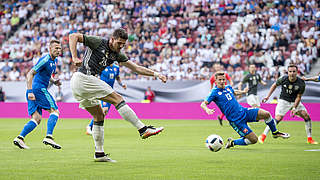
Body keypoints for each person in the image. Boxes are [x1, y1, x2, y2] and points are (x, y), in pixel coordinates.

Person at [69, 28, 167, 162]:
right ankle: (142, 129)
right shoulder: (98, 42)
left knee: (99, 115)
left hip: (81, 84)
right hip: (84, 78)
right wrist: (74, 57)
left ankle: (99, 154)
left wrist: (156, 74)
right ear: (112, 39)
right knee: (118, 99)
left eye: (123, 44)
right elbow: (73, 36)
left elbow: (136, 68)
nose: (121, 46)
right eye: (119, 43)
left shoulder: (116, 54)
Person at [201, 72, 290, 149]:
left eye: (223, 79)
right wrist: (207, 109)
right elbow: (203, 104)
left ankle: (274, 132)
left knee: (266, 114)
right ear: (215, 81)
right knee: (254, 140)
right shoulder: (214, 92)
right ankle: (233, 142)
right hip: (236, 121)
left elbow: (234, 92)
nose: (222, 81)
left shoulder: (228, 87)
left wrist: (243, 92)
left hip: (244, 111)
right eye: (219, 80)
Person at [13, 40, 62, 149]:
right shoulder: (45, 59)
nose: (58, 50)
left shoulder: (54, 61)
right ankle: (49, 136)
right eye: (56, 48)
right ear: (50, 49)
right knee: (55, 111)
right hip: (38, 89)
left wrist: (54, 81)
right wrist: (30, 91)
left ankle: (20, 138)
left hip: (35, 90)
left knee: (37, 118)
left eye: (59, 48)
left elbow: (46, 74)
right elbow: (30, 73)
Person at [259, 64, 318, 144]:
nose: (292, 73)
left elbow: (298, 97)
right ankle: (263, 136)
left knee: (306, 116)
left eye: (294, 71)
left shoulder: (301, 83)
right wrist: (267, 96)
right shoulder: (283, 79)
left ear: (297, 72)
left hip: (294, 101)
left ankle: (310, 139)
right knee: (278, 119)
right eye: (290, 71)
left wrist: (294, 108)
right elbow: (274, 85)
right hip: (283, 101)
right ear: (288, 72)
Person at [86, 63, 127, 135]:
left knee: (104, 112)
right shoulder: (102, 67)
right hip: (102, 91)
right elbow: (95, 75)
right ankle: (89, 127)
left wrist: (122, 84)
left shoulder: (116, 68)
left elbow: (117, 77)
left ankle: (93, 127)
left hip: (110, 92)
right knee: (104, 109)